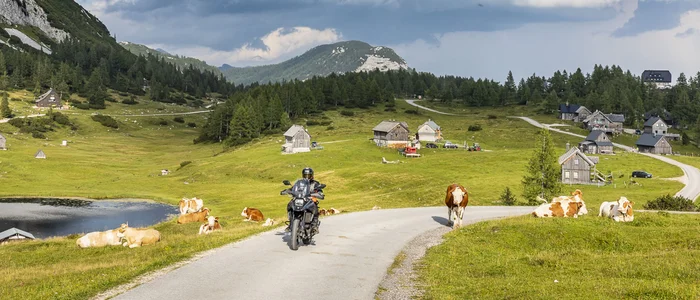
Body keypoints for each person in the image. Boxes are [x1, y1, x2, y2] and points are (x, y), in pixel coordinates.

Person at [285, 167, 323, 233]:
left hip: (310, 200)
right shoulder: (300, 183)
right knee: (290, 205)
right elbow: (294, 188)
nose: (307, 177)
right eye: (305, 175)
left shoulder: (315, 183)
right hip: (300, 199)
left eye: (308, 175)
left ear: (312, 175)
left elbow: (319, 190)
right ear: (303, 175)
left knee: (315, 207)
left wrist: (319, 193)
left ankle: (314, 225)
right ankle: (291, 224)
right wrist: (288, 191)